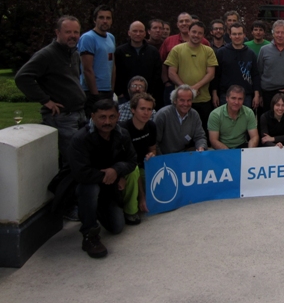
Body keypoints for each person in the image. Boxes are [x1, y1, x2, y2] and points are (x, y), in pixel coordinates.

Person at [68, 99, 138, 258]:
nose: (107, 121)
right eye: (102, 117)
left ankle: (95, 209)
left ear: (118, 116)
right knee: (90, 189)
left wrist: (116, 170)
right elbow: (80, 173)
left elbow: (132, 161)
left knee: (117, 228)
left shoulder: (122, 134)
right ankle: (89, 235)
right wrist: (111, 175)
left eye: (112, 117)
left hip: (108, 186)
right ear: (92, 116)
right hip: (85, 184)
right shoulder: (81, 138)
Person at [15, 15, 87, 166]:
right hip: (63, 118)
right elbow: (22, 77)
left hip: (79, 113)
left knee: (83, 156)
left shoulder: (73, 53)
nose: (72, 36)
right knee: (73, 161)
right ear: (58, 33)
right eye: (68, 32)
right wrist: (46, 100)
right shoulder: (47, 54)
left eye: (76, 32)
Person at [165, 21, 218, 133]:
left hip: (203, 99)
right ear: (188, 32)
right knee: (180, 130)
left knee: (202, 131)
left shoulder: (208, 51)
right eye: (194, 32)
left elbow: (211, 74)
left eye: (200, 33)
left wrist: (195, 88)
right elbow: (171, 73)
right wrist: (187, 89)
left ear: (203, 35)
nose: (196, 35)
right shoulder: (177, 50)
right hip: (181, 100)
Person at [119, 93, 157, 217]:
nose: (146, 112)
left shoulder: (151, 126)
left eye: (149, 109)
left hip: (144, 165)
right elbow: (129, 162)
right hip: (128, 168)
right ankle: (131, 211)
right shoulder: (123, 129)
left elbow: (153, 150)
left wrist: (151, 155)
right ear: (133, 110)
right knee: (135, 174)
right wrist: (142, 196)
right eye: (142, 109)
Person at [159, 12, 209, 105]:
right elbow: (162, 62)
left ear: (191, 23)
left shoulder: (204, 42)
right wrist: (166, 82)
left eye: (187, 21)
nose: (184, 23)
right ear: (177, 24)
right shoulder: (169, 41)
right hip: (173, 87)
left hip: (199, 91)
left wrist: (195, 87)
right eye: (181, 21)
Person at [78, 5, 116, 116]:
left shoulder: (111, 37)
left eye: (108, 18)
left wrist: (111, 89)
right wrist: (95, 95)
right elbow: (87, 69)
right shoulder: (88, 38)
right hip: (92, 91)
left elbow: (112, 64)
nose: (105, 21)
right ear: (95, 20)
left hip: (107, 90)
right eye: (101, 17)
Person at [212, 23, 260, 110]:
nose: (237, 36)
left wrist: (256, 95)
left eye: (239, 34)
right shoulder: (221, 53)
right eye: (234, 34)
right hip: (225, 95)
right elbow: (216, 75)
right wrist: (214, 94)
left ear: (244, 35)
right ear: (230, 35)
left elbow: (255, 75)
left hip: (246, 96)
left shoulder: (250, 53)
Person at [114, 21, 162, 104]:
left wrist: (151, 92)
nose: (138, 34)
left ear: (145, 33)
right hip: (125, 97)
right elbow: (116, 73)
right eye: (135, 31)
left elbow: (157, 73)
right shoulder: (120, 51)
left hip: (147, 96)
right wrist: (119, 93)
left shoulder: (153, 51)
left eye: (141, 31)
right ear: (129, 33)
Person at [154, 85, 208, 154]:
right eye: (182, 100)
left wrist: (201, 147)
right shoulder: (163, 115)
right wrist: (161, 159)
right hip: (165, 156)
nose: (185, 104)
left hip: (183, 154)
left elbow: (200, 137)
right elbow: (154, 143)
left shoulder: (194, 114)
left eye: (189, 100)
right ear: (175, 101)